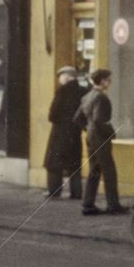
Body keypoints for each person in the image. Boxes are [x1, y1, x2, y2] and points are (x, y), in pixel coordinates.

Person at [75, 69, 126, 215]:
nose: (109, 82)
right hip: (101, 138)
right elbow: (99, 120)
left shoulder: (87, 96)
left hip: (91, 137)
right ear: (102, 81)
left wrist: (88, 129)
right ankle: (113, 205)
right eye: (108, 79)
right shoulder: (101, 98)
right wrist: (111, 132)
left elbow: (78, 118)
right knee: (109, 171)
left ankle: (88, 204)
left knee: (94, 171)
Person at [43, 66, 88, 199]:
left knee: (53, 163)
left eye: (61, 77)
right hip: (75, 132)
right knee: (74, 164)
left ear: (67, 77)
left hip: (60, 132)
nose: (60, 80)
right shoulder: (83, 91)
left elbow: (53, 114)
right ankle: (76, 193)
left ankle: (54, 191)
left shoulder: (62, 90)